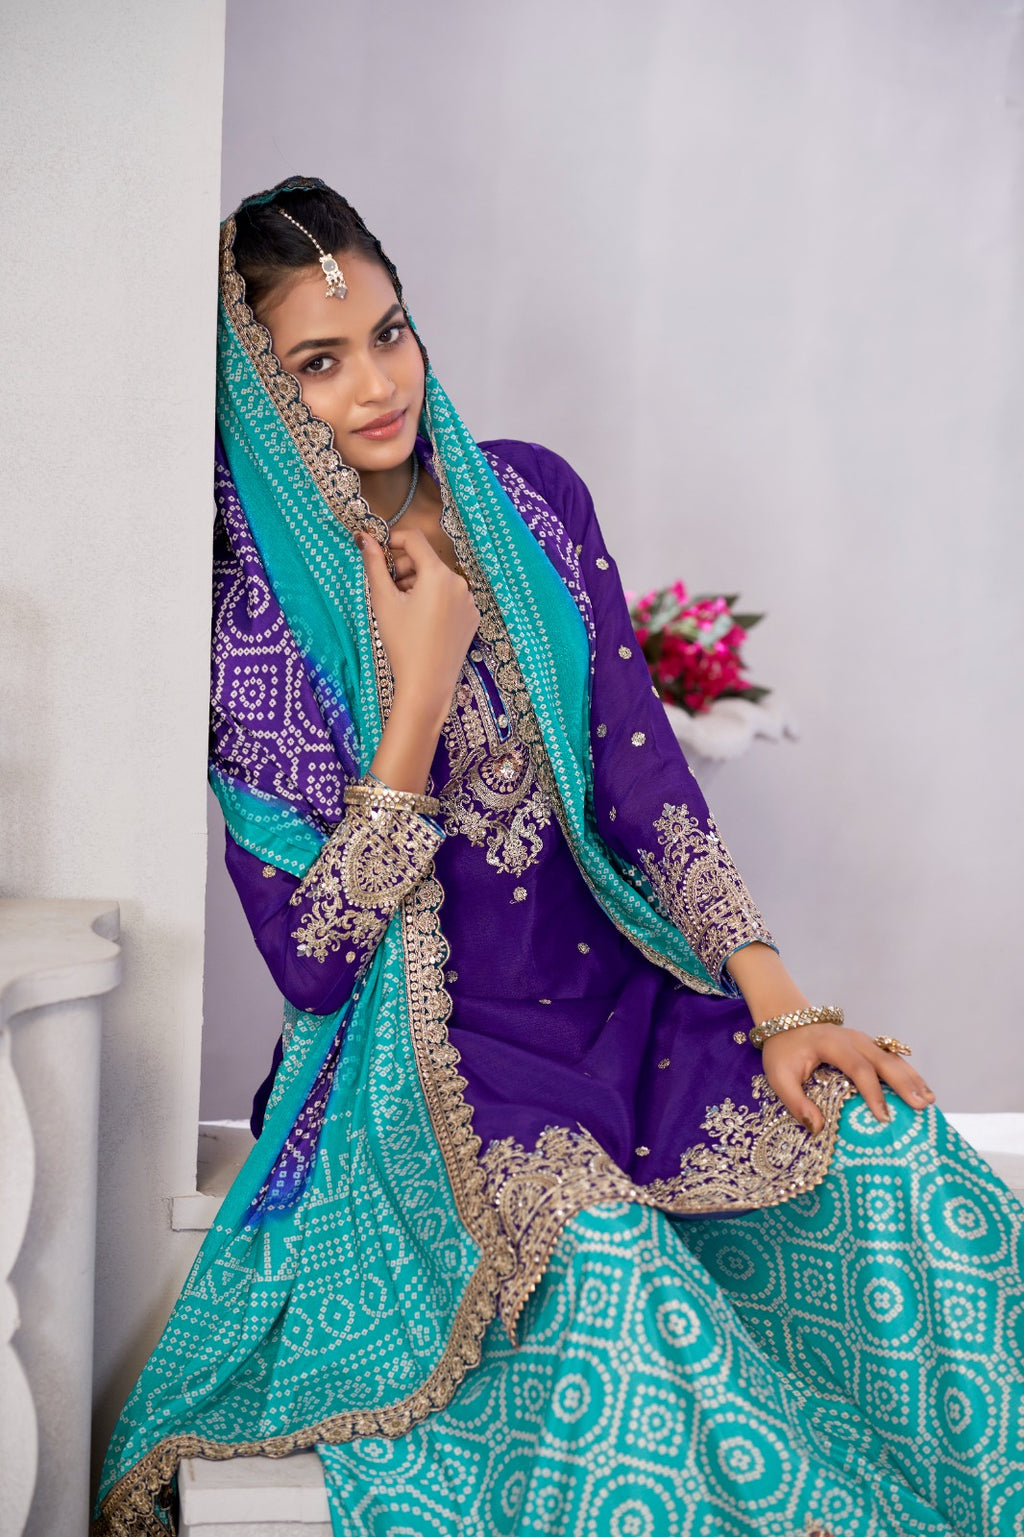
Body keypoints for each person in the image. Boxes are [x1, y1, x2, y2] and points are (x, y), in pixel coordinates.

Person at [93, 176, 1023, 1537]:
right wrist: (415, 703)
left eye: (391, 332)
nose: (375, 384)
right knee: (614, 1255)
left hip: (622, 1004)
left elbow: (648, 788)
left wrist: (785, 1008)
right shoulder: (252, 631)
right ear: (260, 389)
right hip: (434, 1074)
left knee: (888, 1148)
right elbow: (313, 962)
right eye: (319, 359)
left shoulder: (529, 499)